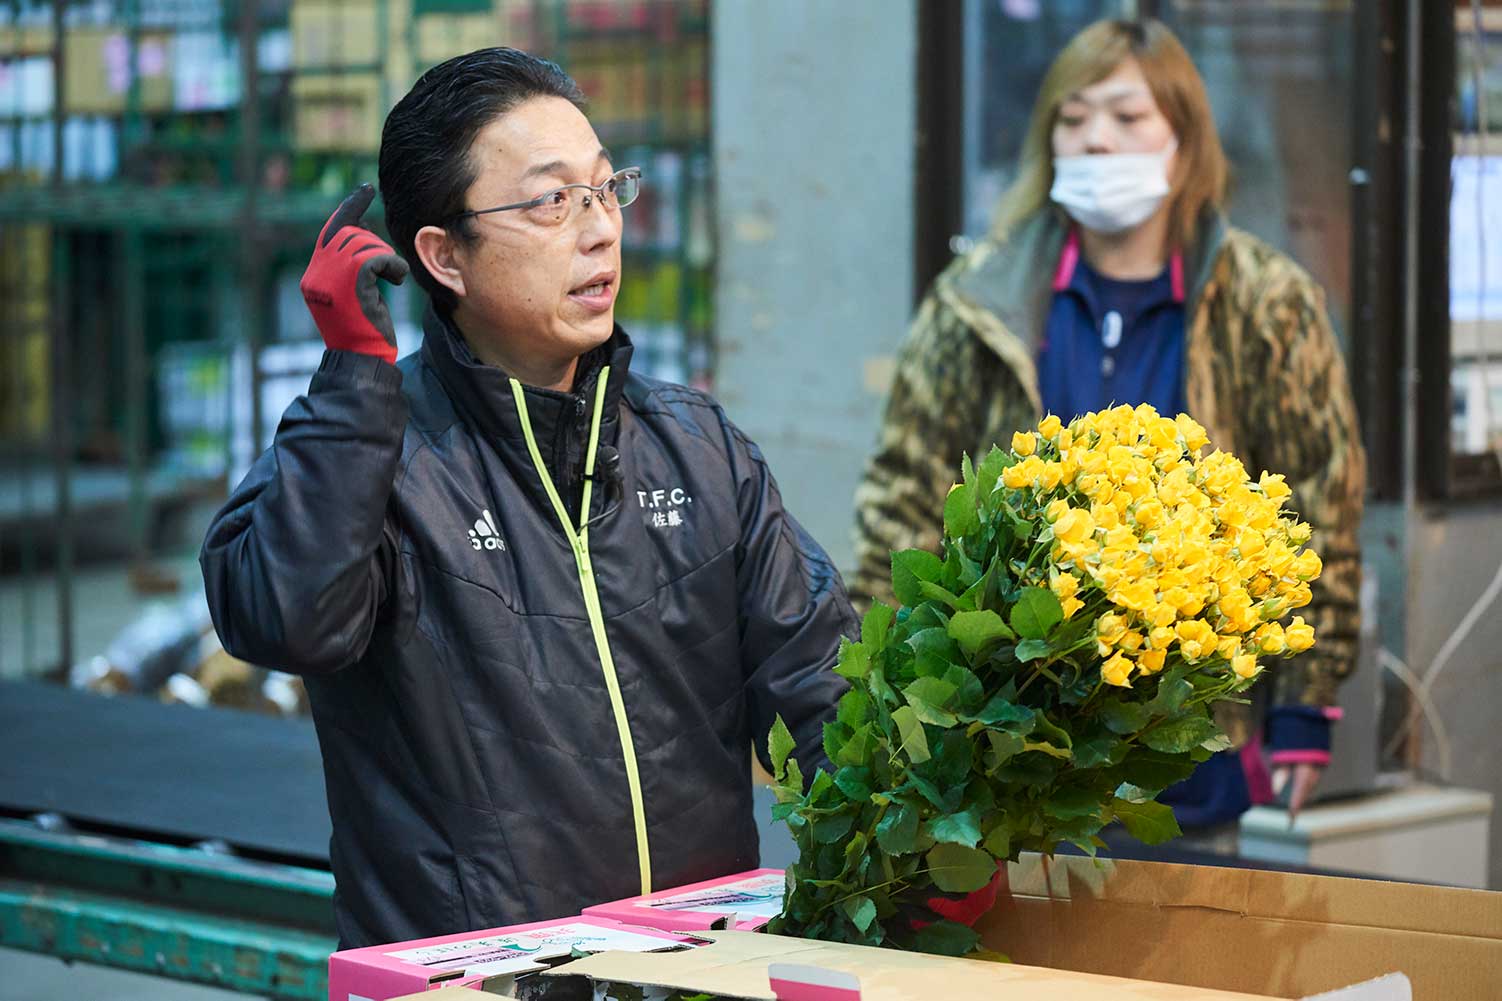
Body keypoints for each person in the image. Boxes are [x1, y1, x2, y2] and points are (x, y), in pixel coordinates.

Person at [200, 48, 854, 948]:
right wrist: (355, 379)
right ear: (444, 256)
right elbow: (285, 618)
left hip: (700, 974)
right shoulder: (374, 460)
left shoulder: (697, 450)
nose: (600, 230)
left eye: (605, 189)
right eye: (553, 201)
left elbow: (829, 695)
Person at [852, 19, 1365, 845]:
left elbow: (1322, 501)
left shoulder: (1266, 304)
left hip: (1188, 753)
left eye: (1128, 119)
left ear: (1185, 141)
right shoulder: (977, 304)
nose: (1096, 141)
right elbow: (901, 504)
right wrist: (890, 703)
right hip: (1004, 748)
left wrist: (1307, 698)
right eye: (1074, 117)